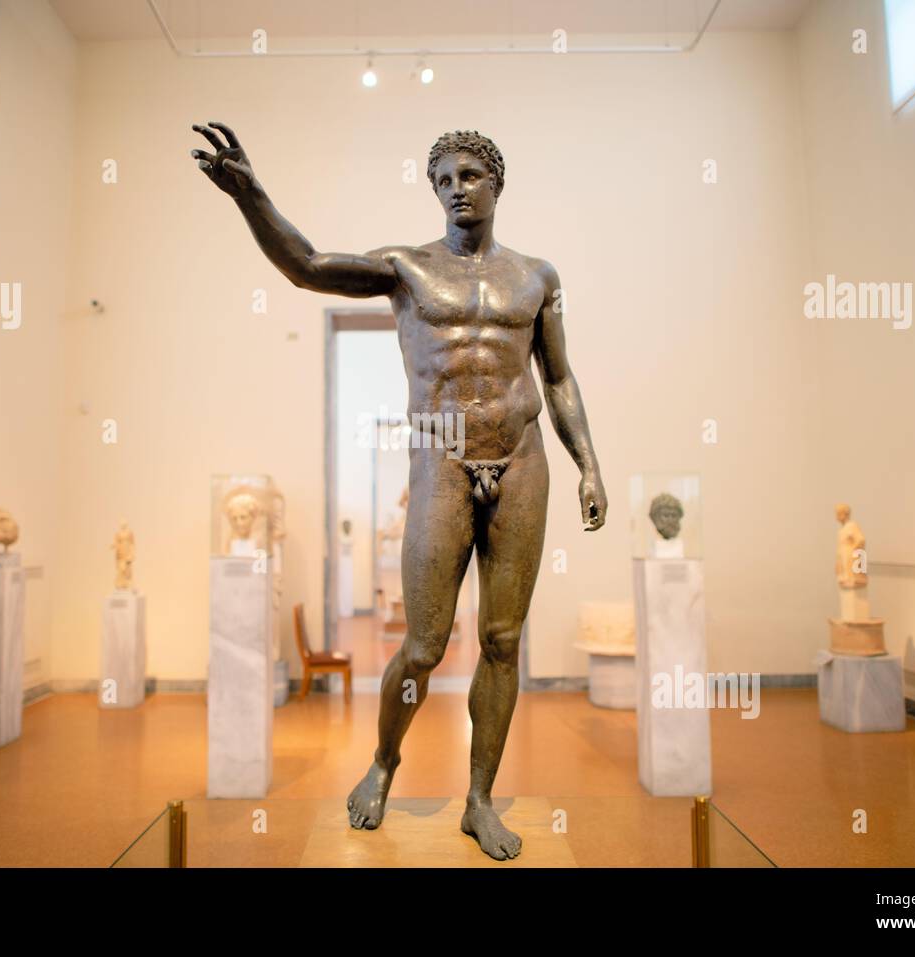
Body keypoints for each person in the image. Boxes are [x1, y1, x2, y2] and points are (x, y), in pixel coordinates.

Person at [193, 123, 607, 860]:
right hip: (442, 457)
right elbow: (307, 264)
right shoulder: (406, 268)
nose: (456, 187)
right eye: (444, 177)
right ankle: (384, 760)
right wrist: (250, 195)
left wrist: (590, 465)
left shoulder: (538, 276)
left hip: (522, 457)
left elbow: (559, 376)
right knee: (422, 646)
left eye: (470, 175)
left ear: (496, 183)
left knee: (503, 640)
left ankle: (480, 798)